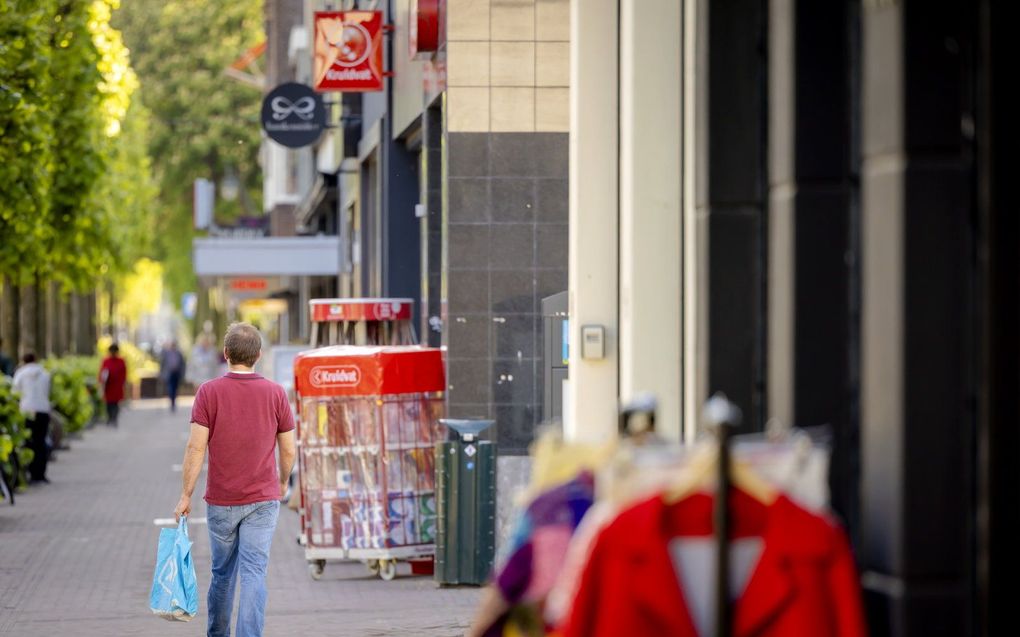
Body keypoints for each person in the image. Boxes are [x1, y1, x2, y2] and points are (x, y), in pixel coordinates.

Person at [173, 322, 296, 637]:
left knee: (222, 573)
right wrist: (282, 483)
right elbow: (288, 449)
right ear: (258, 355)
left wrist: (186, 494)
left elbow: (196, 447)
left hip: (222, 499)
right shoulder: (275, 393)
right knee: (254, 573)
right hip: (263, 499)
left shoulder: (209, 392)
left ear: (225, 354)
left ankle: (218, 633)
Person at [11, 353, 52, 483]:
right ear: (36, 360)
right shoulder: (45, 373)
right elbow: (47, 391)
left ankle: (29, 472)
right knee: (41, 441)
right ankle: (40, 473)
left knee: (29, 442)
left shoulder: (20, 374)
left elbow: (14, 392)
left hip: (26, 410)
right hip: (43, 410)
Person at [99, 343, 128, 427]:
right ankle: (110, 418)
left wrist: (123, 384)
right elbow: (102, 373)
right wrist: (102, 382)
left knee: (115, 403)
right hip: (108, 386)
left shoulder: (121, 361)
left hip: (117, 386)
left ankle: (114, 418)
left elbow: (124, 374)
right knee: (108, 403)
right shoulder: (106, 361)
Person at [159, 340, 186, 412]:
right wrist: (161, 374)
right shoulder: (166, 353)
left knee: (175, 388)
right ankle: (172, 402)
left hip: (177, 373)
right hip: (169, 373)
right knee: (170, 388)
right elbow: (162, 364)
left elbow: (182, 364)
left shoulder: (179, 353)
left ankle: (174, 401)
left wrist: (183, 374)